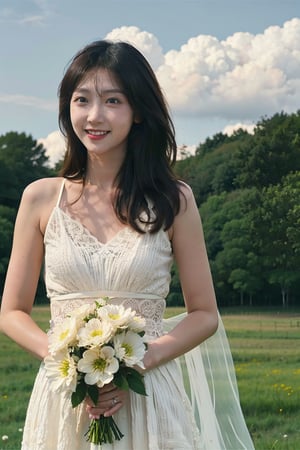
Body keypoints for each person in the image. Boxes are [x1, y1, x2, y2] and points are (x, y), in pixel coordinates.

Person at [0, 40, 255, 450]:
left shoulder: (176, 200)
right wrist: (73, 369)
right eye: (82, 99)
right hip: (65, 399)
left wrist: (137, 363)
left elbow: (205, 314)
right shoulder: (40, 198)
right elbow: (11, 312)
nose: (94, 116)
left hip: (149, 396)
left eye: (113, 100)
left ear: (138, 112)